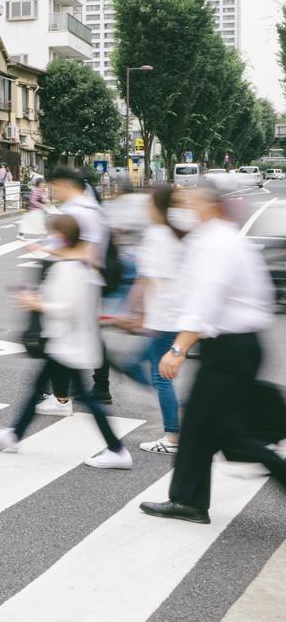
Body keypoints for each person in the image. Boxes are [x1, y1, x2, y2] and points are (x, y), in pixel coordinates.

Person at [141, 181, 286, 524]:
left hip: (230, 348)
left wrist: (177, 349)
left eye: (188, 202)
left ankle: (189, 500)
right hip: (234, 346)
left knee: (228, 430)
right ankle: (187, 500)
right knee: (200, 425)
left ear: (208, 205)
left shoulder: (217, 244)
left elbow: (206, 299)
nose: (182, 208)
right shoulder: (212, 239)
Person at [0, 215, 133, 468]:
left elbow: (68, 307)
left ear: (62, 237)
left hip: (66, 343)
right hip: (68, 342)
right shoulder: (81, 264)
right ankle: (14, 434)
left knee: (77, 397)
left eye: (53, 235)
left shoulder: (69, 268)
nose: (50, 240)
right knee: (42, 388)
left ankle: (117, 449)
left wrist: (37, 303)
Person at [108, 184, 185, 454]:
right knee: (138, 365)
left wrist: (133, 312)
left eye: (149, 204)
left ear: (156, 207)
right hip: (172, 315)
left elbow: (147, 279)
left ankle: (173, 433)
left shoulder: (158, 235)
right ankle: (178, 413)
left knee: (160, 376)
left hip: (162, 317)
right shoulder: (175, 235)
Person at [37, 166, 113, 409]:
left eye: (55, 187)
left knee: (65, 334)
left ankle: (64, 393)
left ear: (65, 184)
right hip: (85, 278)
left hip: (78, 278)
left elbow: (83, 250)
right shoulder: (89, 207)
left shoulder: (80, 211)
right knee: (82, 334)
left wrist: (47, 250)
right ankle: (84, 388)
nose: (54, 192)